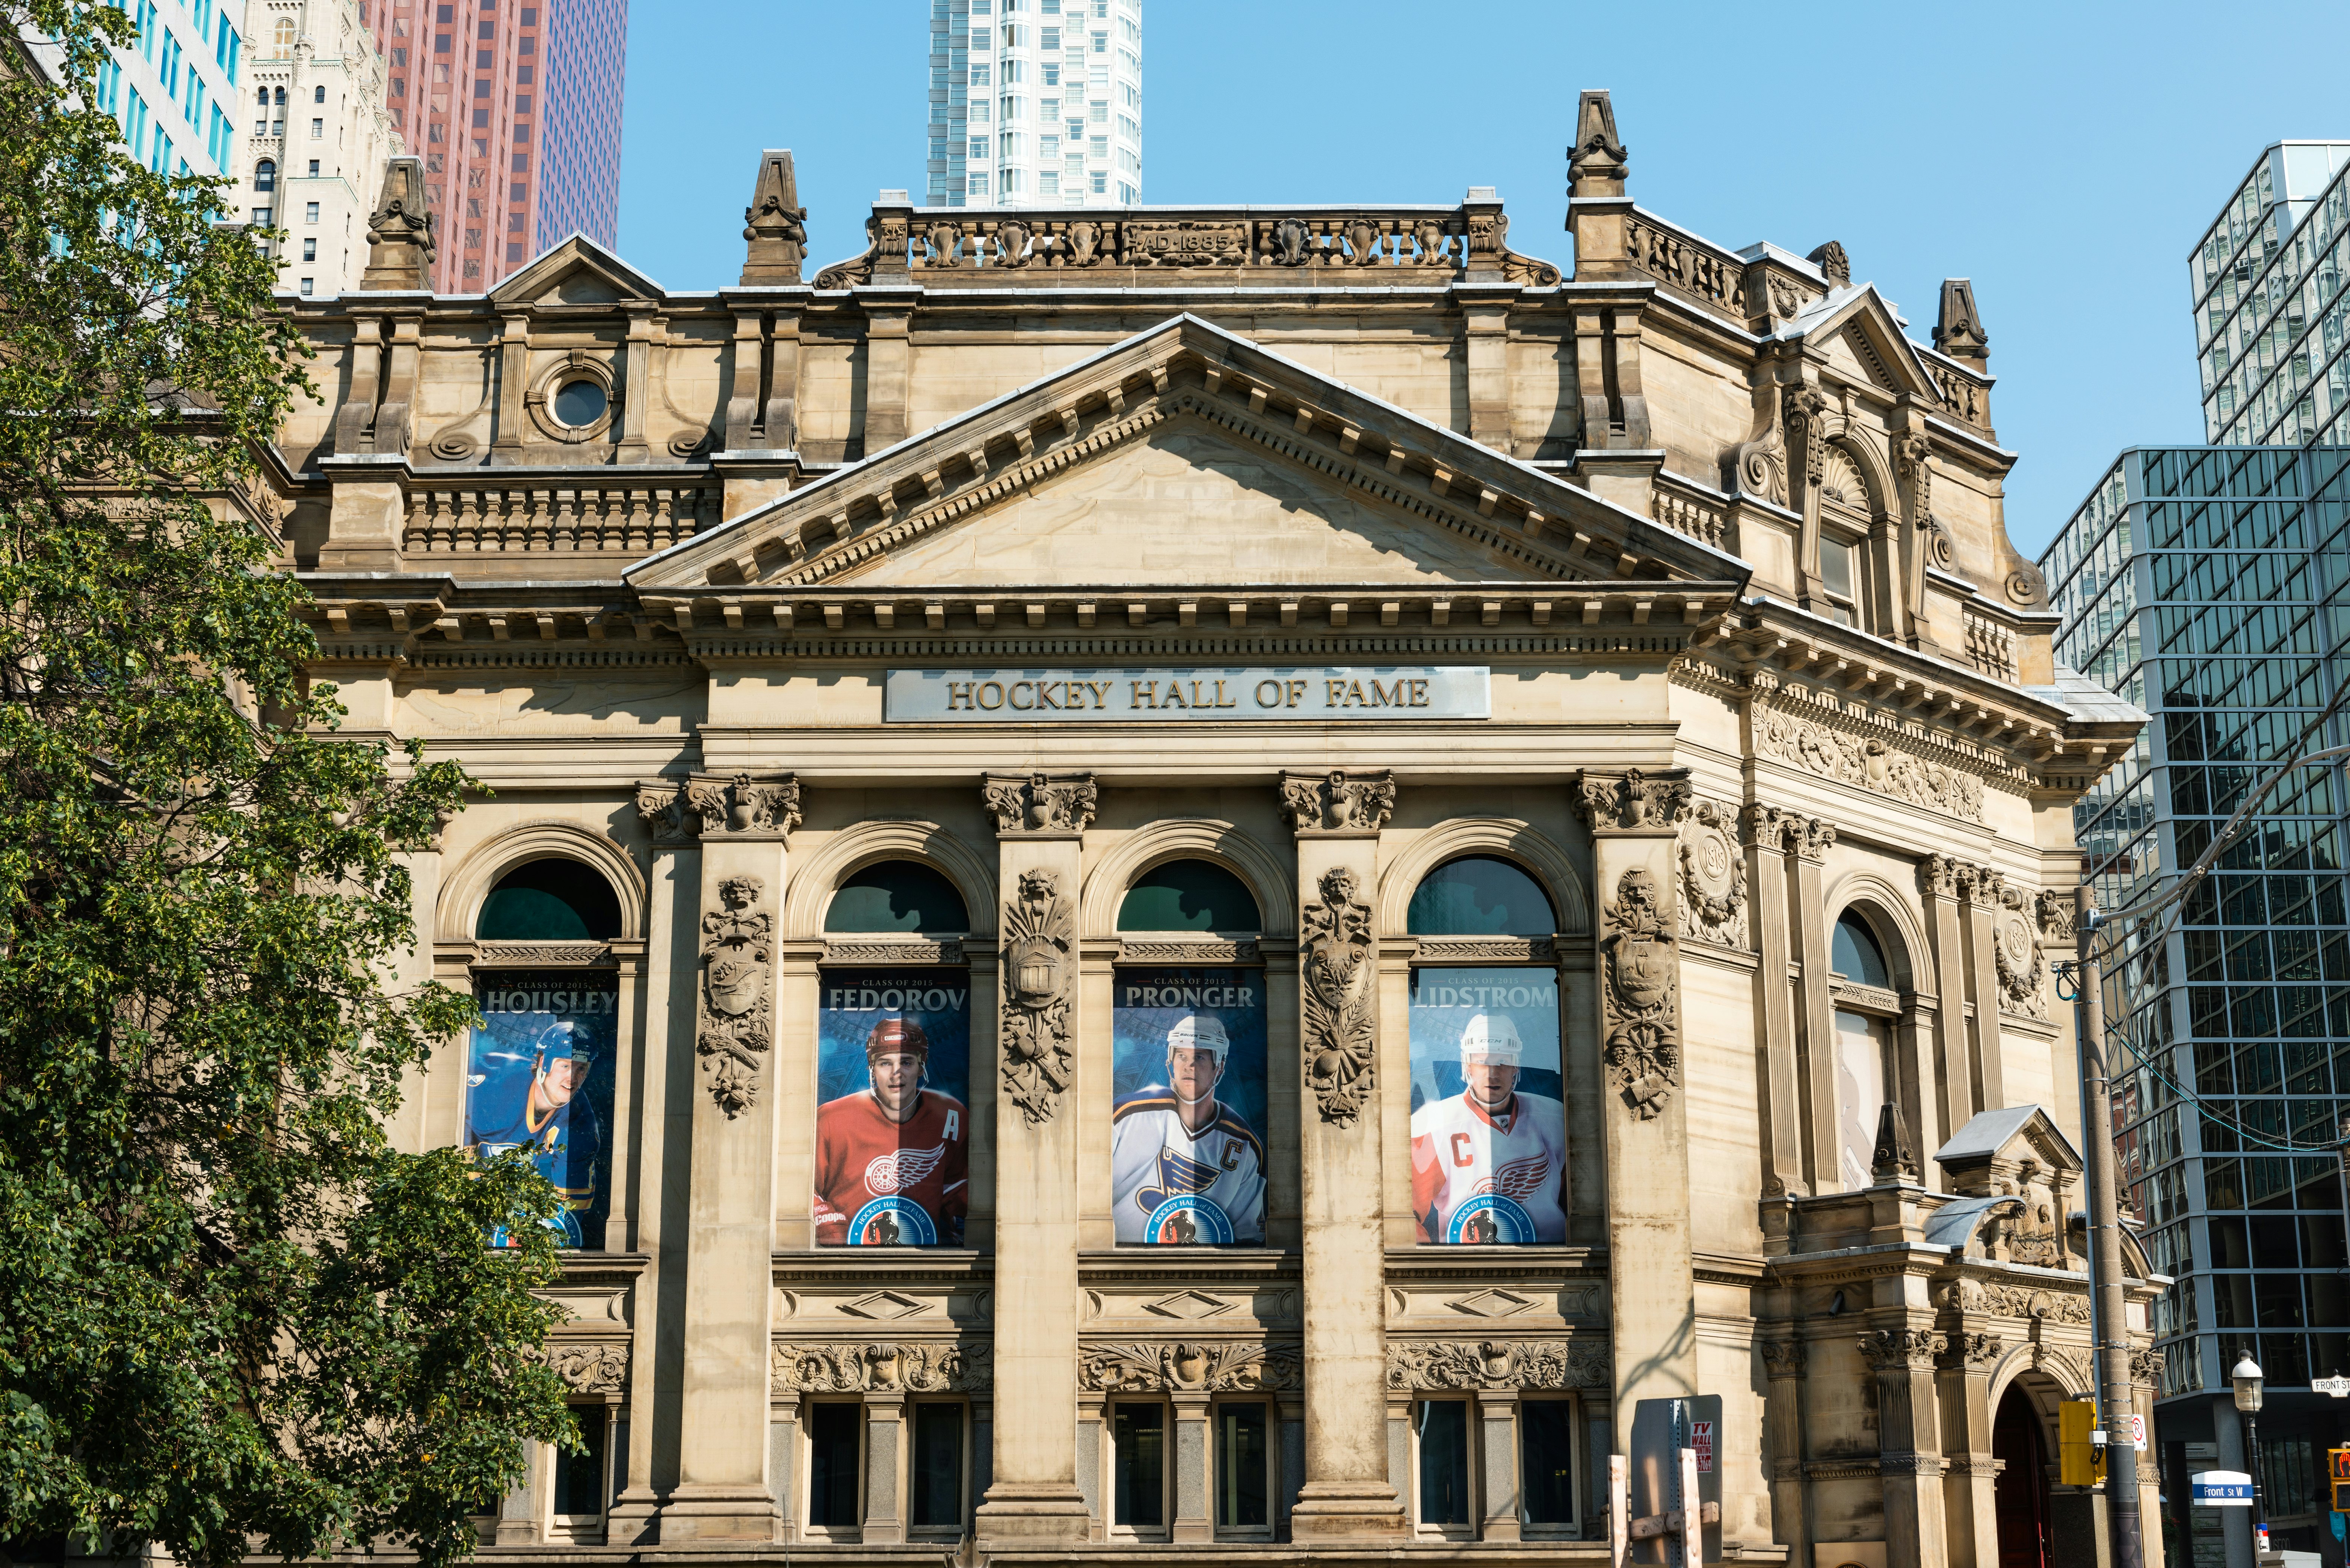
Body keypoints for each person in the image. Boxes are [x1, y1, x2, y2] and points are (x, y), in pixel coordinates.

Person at [1410, 1011, 1566, 1244]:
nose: (1493, 1073)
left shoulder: (1554, 1116)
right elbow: (1406, 1216)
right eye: (1482, 1062)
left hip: (1549, 1267)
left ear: (1516, 1067)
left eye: (1503, 1062)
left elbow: (1581, 1201)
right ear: (1468, 1065)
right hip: (1466, 1268)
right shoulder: (1436, 1123)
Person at [1111, 1012, 1265, 1244]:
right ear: (1170, 1063)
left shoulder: (1245, 1144)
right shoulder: (1126, 1115)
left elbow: (1248, 1237)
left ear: (1219, 1067)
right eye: (1181, 1056)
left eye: (1200, 1057)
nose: (1189, 1066)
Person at [814, 1017, 968, 1245]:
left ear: (921, 1068)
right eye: (885, 1063)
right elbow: (802, 1188)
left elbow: (960, 1188)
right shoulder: (830, 1117)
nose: (897, 1073)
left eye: (906, 1063)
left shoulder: (951, 1116)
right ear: (872, 1070)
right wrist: (832, 1229)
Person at [466, 1018, 603, 1249]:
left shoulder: (582, 1125)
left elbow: (568, 1215)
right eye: (565, 1066)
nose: (573, 1078)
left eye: (582, 1069)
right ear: (543, 1062)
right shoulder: (493, 1085)